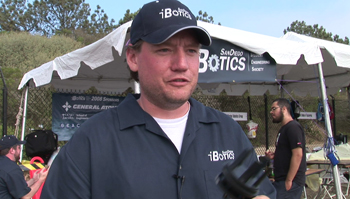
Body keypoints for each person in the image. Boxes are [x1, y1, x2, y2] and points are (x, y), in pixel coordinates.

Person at [41, 0, 276, 198]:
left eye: (192, 51)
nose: (182, 64)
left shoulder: (228, 133)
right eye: (164, 50)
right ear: (133, 57)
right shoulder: (91, 142)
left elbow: (261, 192)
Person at [265, 98, 306, 199]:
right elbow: (287, 152)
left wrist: (289, 180)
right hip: (280, 180)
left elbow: (298, 154)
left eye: (274, 109)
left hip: (291, 182)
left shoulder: (293, 127)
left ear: (284, 109)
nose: (271, 112)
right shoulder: (284, 129)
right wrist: (275, 156)